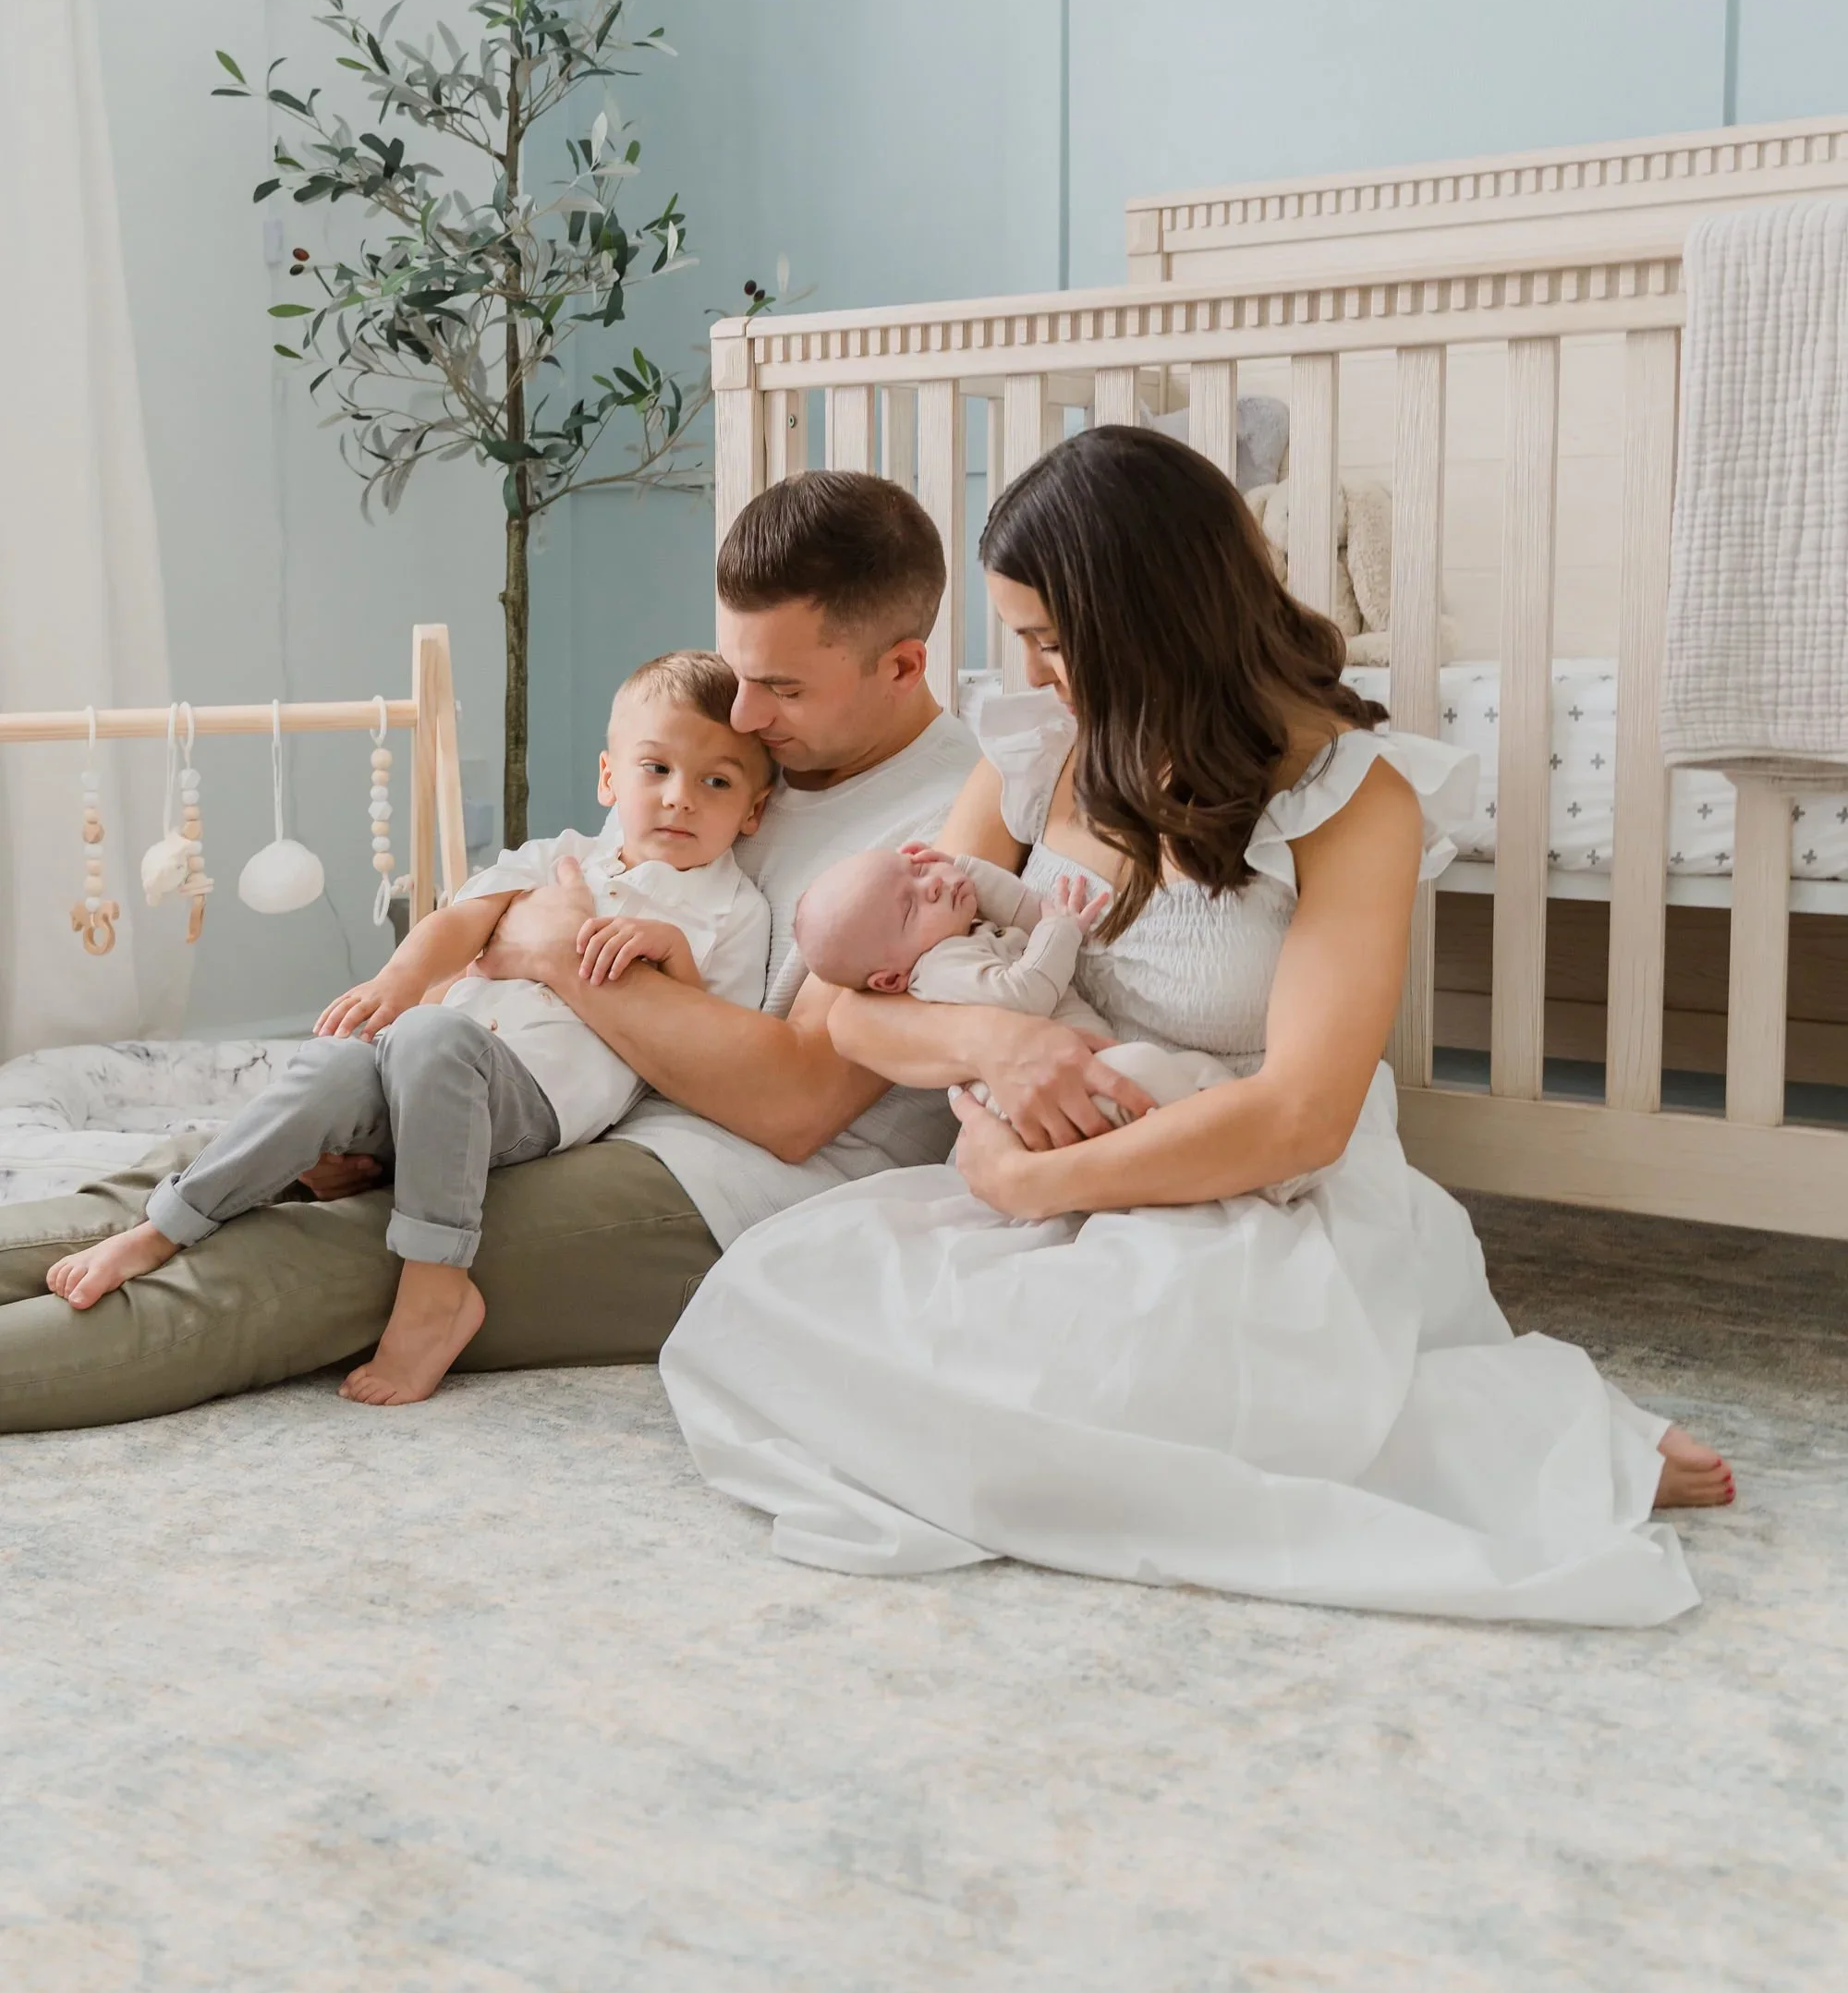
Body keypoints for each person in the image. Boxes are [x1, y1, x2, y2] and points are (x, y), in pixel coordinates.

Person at [662, 426, 1733, 1627]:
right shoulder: (1039, 755)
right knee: (774, 1306)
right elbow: (853, 1011)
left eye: (1052, 643)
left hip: (1248, 1180)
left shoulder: (1346, 799)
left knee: (1119, 1392)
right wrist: (995, 1047)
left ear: (1152, 620)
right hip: (1046, 1146)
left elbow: (1303, 1116)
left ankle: (1532, 1428)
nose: (1029, 676)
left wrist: (1028, 1190)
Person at [0, 473, 1047, 1433]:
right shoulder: (736, 753)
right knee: (215, 1167)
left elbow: (794, 1105)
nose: (740, 714)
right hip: (563, 1102)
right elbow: (536, 891)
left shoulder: (948, 820)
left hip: (721, 1182)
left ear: (902, 665)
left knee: (309, 1257)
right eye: (736, 674)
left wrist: (550, 950)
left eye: (778, 688)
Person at [40, 652, 775, 1406]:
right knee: (333, 1065)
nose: (681, 798)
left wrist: (674, 962)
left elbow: (717, 1052)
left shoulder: (730, 911)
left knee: (432, 1036)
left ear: (752, 811)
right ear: (609, 778)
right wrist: (394, 983)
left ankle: (437, 1288)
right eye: (656, 769)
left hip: (534, 1100)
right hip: (420, 1070)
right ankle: (164, 1229)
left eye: (715, 781)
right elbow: (461, 921)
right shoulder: (559, 859)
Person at [795, 839, 1324, 1203]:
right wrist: (1061, 929)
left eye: (917, 870)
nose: (930, 886)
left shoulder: (957, 931)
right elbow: (1024, 991)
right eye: (909, 907)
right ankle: (1251, 1173)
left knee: (1189, 1070)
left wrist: (963, 869)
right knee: (1148, 1066)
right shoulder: (939, 968)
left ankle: (1244, 1144)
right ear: (889, 979)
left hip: (1091, 1075)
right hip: (1050, 1109)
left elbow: (1027, 909)